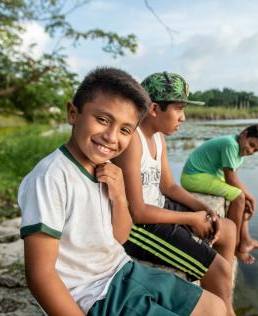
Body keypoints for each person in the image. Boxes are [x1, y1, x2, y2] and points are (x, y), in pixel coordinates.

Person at [18, 67, 226, 316]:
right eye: (103, 120)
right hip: (91, 294)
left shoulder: (107, 169)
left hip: (122, 269)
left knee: (215, 308)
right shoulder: (51, 177)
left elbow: (122, 235)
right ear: (73, 113)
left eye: (125, 130)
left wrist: (118, 196)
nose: (110, 137)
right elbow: (40, 275)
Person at [113, 72, 237, 316]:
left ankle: (225, 305)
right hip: (138, 228)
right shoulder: (133, 142)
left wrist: (202, 208)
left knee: (229, 229)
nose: (183, 117)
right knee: (220, 269)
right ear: (154, 108)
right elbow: (137, 212)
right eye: (179, 109)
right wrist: (190, 219)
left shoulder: (158, 137)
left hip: (158, 207)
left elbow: (168, 186)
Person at [181, 124, 258, 264]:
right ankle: (233, 245)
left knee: (242, 199)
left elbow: (232, 179)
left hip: (208, 175)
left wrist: (247, 199)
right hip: (194, 176)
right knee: (239, 197)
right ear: (244, 134)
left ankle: (245, 240)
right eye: (251, 144)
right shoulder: (231, 144)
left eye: (255, 150)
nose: (251, 150)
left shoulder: (239, 149)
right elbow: (231, 179)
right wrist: (252, 198)